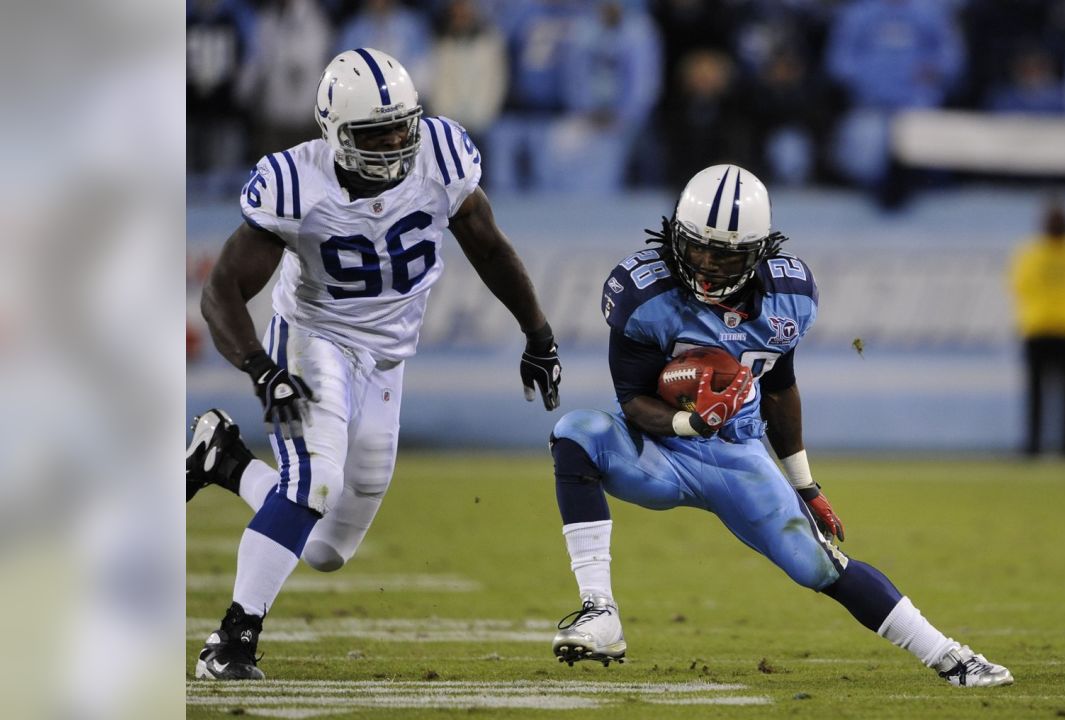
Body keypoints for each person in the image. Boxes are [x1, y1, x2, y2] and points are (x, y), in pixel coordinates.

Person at [546, 164, 1013, 687]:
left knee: (820, 566)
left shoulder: (790, 296)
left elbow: (779, 386)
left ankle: (950, 658)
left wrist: (805, 485)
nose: (705, 263)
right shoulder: (645, 296)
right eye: (696, 246)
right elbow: (632, 399)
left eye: (724, 253)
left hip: (738, 456)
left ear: (758, 251)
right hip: (657, 447)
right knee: (577, 434)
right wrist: (688, 421)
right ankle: (600, 612)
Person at [184, 47, 563, 681]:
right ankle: (231, 641)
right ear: (334, 132)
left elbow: (490, 248)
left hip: (389, 356)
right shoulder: (296, 181)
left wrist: (539, 334)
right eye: (374, 132)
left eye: (401, 126)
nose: (393, 143)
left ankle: (222, 459)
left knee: (328, 548)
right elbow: (221, 289)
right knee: (314, 482)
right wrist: (259, 367)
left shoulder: (440, 156)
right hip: (315, 338)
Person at [1009, 200, 1065, 456]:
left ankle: (1034, 447)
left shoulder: (1031, 255)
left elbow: (1018, 286)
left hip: (1039, 328)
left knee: (1038, 394)